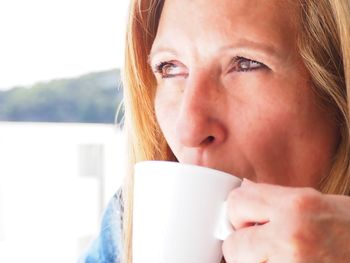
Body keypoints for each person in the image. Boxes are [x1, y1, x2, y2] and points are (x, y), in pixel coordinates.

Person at [79, 0, 350, 262]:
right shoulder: (128, 222)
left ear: (340, 96)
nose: (188, 129)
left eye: (246, 64)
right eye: (170, 67)